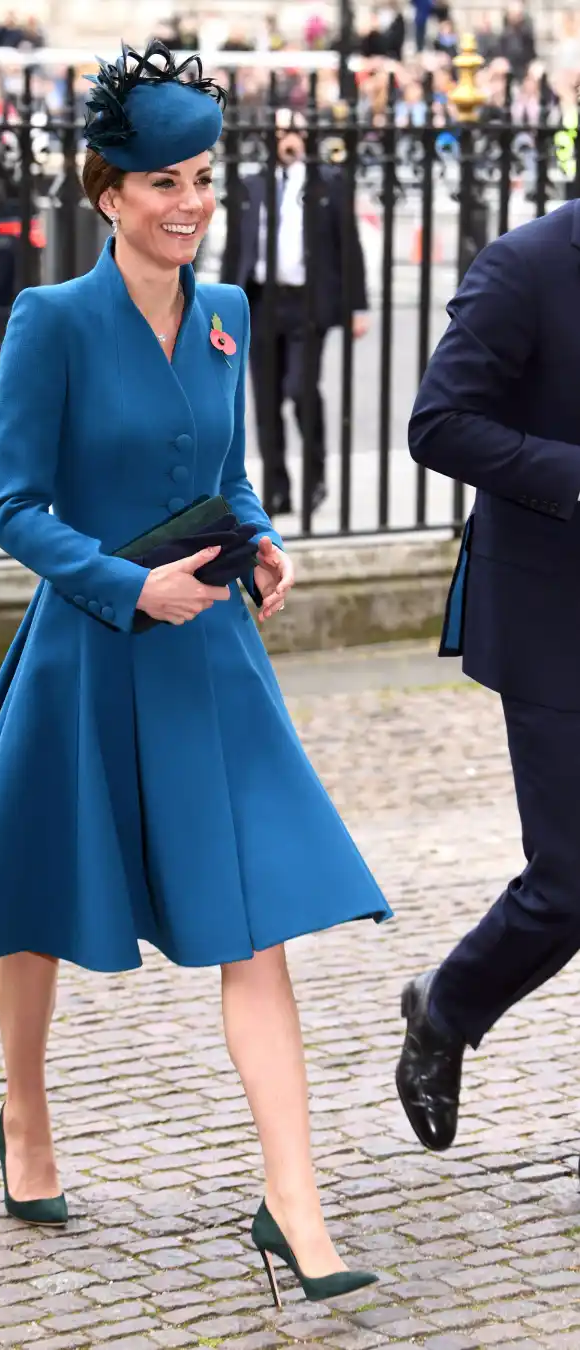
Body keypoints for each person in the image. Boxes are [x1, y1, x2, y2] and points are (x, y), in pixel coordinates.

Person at [0, 39, 390, 1305]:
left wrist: (262, 537)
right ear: (107, 192)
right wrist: (128, 586)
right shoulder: (50, 319)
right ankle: (24, 1115)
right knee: (38, 902)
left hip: (210, 652)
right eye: (161, 181)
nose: (188, 203)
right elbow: (11, 505)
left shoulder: (228, 314)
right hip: (87, 645)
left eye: (201, 178)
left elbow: (221, 474)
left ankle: (295, 1202)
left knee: (255, 920)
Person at [397, 198, 580, 1152]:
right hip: (556, 618)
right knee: (572, 880)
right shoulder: (526, 264)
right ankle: (447, 1006)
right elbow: (438, 423)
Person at [234, 109, 369, 516]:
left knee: (299, 389)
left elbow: (349, 246)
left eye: (294, 131)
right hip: (261, 300)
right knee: (266, 399)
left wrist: (356, 305)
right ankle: (277, 487)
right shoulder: (252, 184)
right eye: (280, 132)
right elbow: (236, 251)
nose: (288, 139)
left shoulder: (326, 184)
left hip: (308, 302)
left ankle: (316, 477)